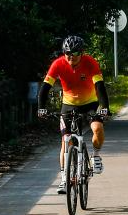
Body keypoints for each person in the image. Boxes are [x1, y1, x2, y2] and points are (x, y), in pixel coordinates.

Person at [38, 35, 109, 194]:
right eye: (68, 53)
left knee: (97, 129)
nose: (71, 57)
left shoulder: (90, 62)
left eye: (75, 54)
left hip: (90, 104)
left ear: (82, 53)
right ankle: (64, 179)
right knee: (66, 141)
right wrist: (41, 108)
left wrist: (105, 107)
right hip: (69, 106)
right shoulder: (58, 64)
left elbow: (100, 86)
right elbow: (45, 88)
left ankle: (96, 156)